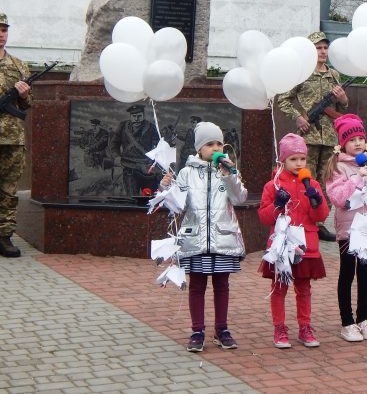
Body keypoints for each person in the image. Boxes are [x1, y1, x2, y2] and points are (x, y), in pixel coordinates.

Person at [161, 122, 247, 352]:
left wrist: (230, 176)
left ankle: (222, 329)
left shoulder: (227, 171)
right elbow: (176, 206)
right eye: (210, 144)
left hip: (222, 239)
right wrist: (165, 188)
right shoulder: (187, 172)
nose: (216, 148)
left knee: (222, 285)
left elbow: (239, 198)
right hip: (195, 239)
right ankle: (197, 330)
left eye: (219, 143)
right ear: (199, 148)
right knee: (197, 285)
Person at [324, 114, 367, 342]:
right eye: (351, 139)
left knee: (366, 274)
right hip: (349, 229)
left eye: (360, 139)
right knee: (347, 273)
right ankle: (347, 322)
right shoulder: (338, 166)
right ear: (342, 142)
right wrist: (356, 179)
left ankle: (363, 319)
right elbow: (337, 197)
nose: (357, 143)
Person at [258, 133, 330, 349]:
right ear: (283, 161)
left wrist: (316, 201)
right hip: (282, 245)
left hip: (305, 244)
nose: (299, 163)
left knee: (304, 288)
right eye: (293, 159)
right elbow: (264, 216)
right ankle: (279, 327)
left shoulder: (313, 184)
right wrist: (278, 205)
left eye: (302, 159)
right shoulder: (273, 185)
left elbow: (321, 216)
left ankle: (305, 327)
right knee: (279, 287)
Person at [277, 31, 348, 242]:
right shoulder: (302, 73)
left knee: (327, 180)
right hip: (308, 136)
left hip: (330, 137)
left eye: (325, 47)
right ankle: (303, 220)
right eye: (319, 48)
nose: (323, 51)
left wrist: (343, 98)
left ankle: (319, 222)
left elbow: (343, 106)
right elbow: (283, 99)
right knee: (306, 178)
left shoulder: (334, 75)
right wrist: (298, 117)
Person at [0, 12, 31, 258]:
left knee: (9, 190)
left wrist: (23, 95)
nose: (1, 35)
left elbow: (28, 104)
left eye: (4, 30)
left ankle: (5, 237)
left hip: (11, 139)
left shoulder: (19, 66)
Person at [110, 104, 160, 196]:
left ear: (143, 116)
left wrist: (154, 160)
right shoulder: (123, 126)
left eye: (139, 116)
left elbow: (158, 146)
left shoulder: (151, 127)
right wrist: (116, 156)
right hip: (129, 167)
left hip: (146, 168)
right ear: (130, 116)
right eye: (134, 116)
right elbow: (114, 143)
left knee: (149, 197)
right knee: (131, 197)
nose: (137, 119)